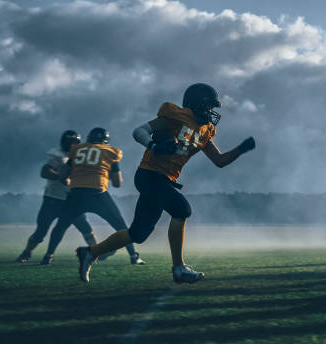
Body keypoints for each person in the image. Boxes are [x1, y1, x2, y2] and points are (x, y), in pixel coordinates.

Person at [76, 83, 255, 283]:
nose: (211, 112)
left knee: (138, 234)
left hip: (164, 180)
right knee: (182, 209)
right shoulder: (176, 115)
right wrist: (154, 145)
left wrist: (241, 149)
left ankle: (90, 253)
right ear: (197, 104)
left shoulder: (206, 130)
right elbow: (139, 131)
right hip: (149, 175)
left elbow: (219, 161)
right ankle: (179, 269)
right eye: (208, 106)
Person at [41, 128, 145, 265]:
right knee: (121, 226)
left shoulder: (77, 150)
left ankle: (48, 256)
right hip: (98, 194)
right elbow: (117, 183)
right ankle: (133, 256)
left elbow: (62, 176)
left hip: (76, 194)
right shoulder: (110, 152)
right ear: (105, 141)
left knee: (61, 226)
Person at [15, 131, 97, 264]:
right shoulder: (57, 155)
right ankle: (27, 252)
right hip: (53, 199)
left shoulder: (82, 157)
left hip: (71, 201)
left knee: (85, 227)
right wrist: (60, 177)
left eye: (74, 143)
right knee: (41, 232)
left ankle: (97, 252)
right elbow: (45, 171)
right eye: (69, 142)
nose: (71, 145)